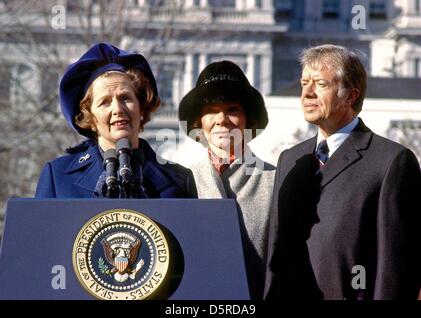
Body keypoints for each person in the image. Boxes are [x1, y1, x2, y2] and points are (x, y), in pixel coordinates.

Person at [264, 44, 421, 300]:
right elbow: (276, 248)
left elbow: (397, 266)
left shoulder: (392, 161)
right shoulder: (291, 160)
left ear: (350, 95)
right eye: (304, 83)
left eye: (320, 84)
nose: (307, 93)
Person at [35, 43, 196, 198]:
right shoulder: (58, 177)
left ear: (141, 108)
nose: (118, 109)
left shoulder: (179, 180)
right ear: (90, 118)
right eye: (105, 102)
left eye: (125, 98)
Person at [178, 60, 276, 299]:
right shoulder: (182, 182)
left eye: (232, 109)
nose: (221, 119)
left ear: (248, 121)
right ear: (198, 123)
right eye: (211, 111)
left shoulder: (275, 180)